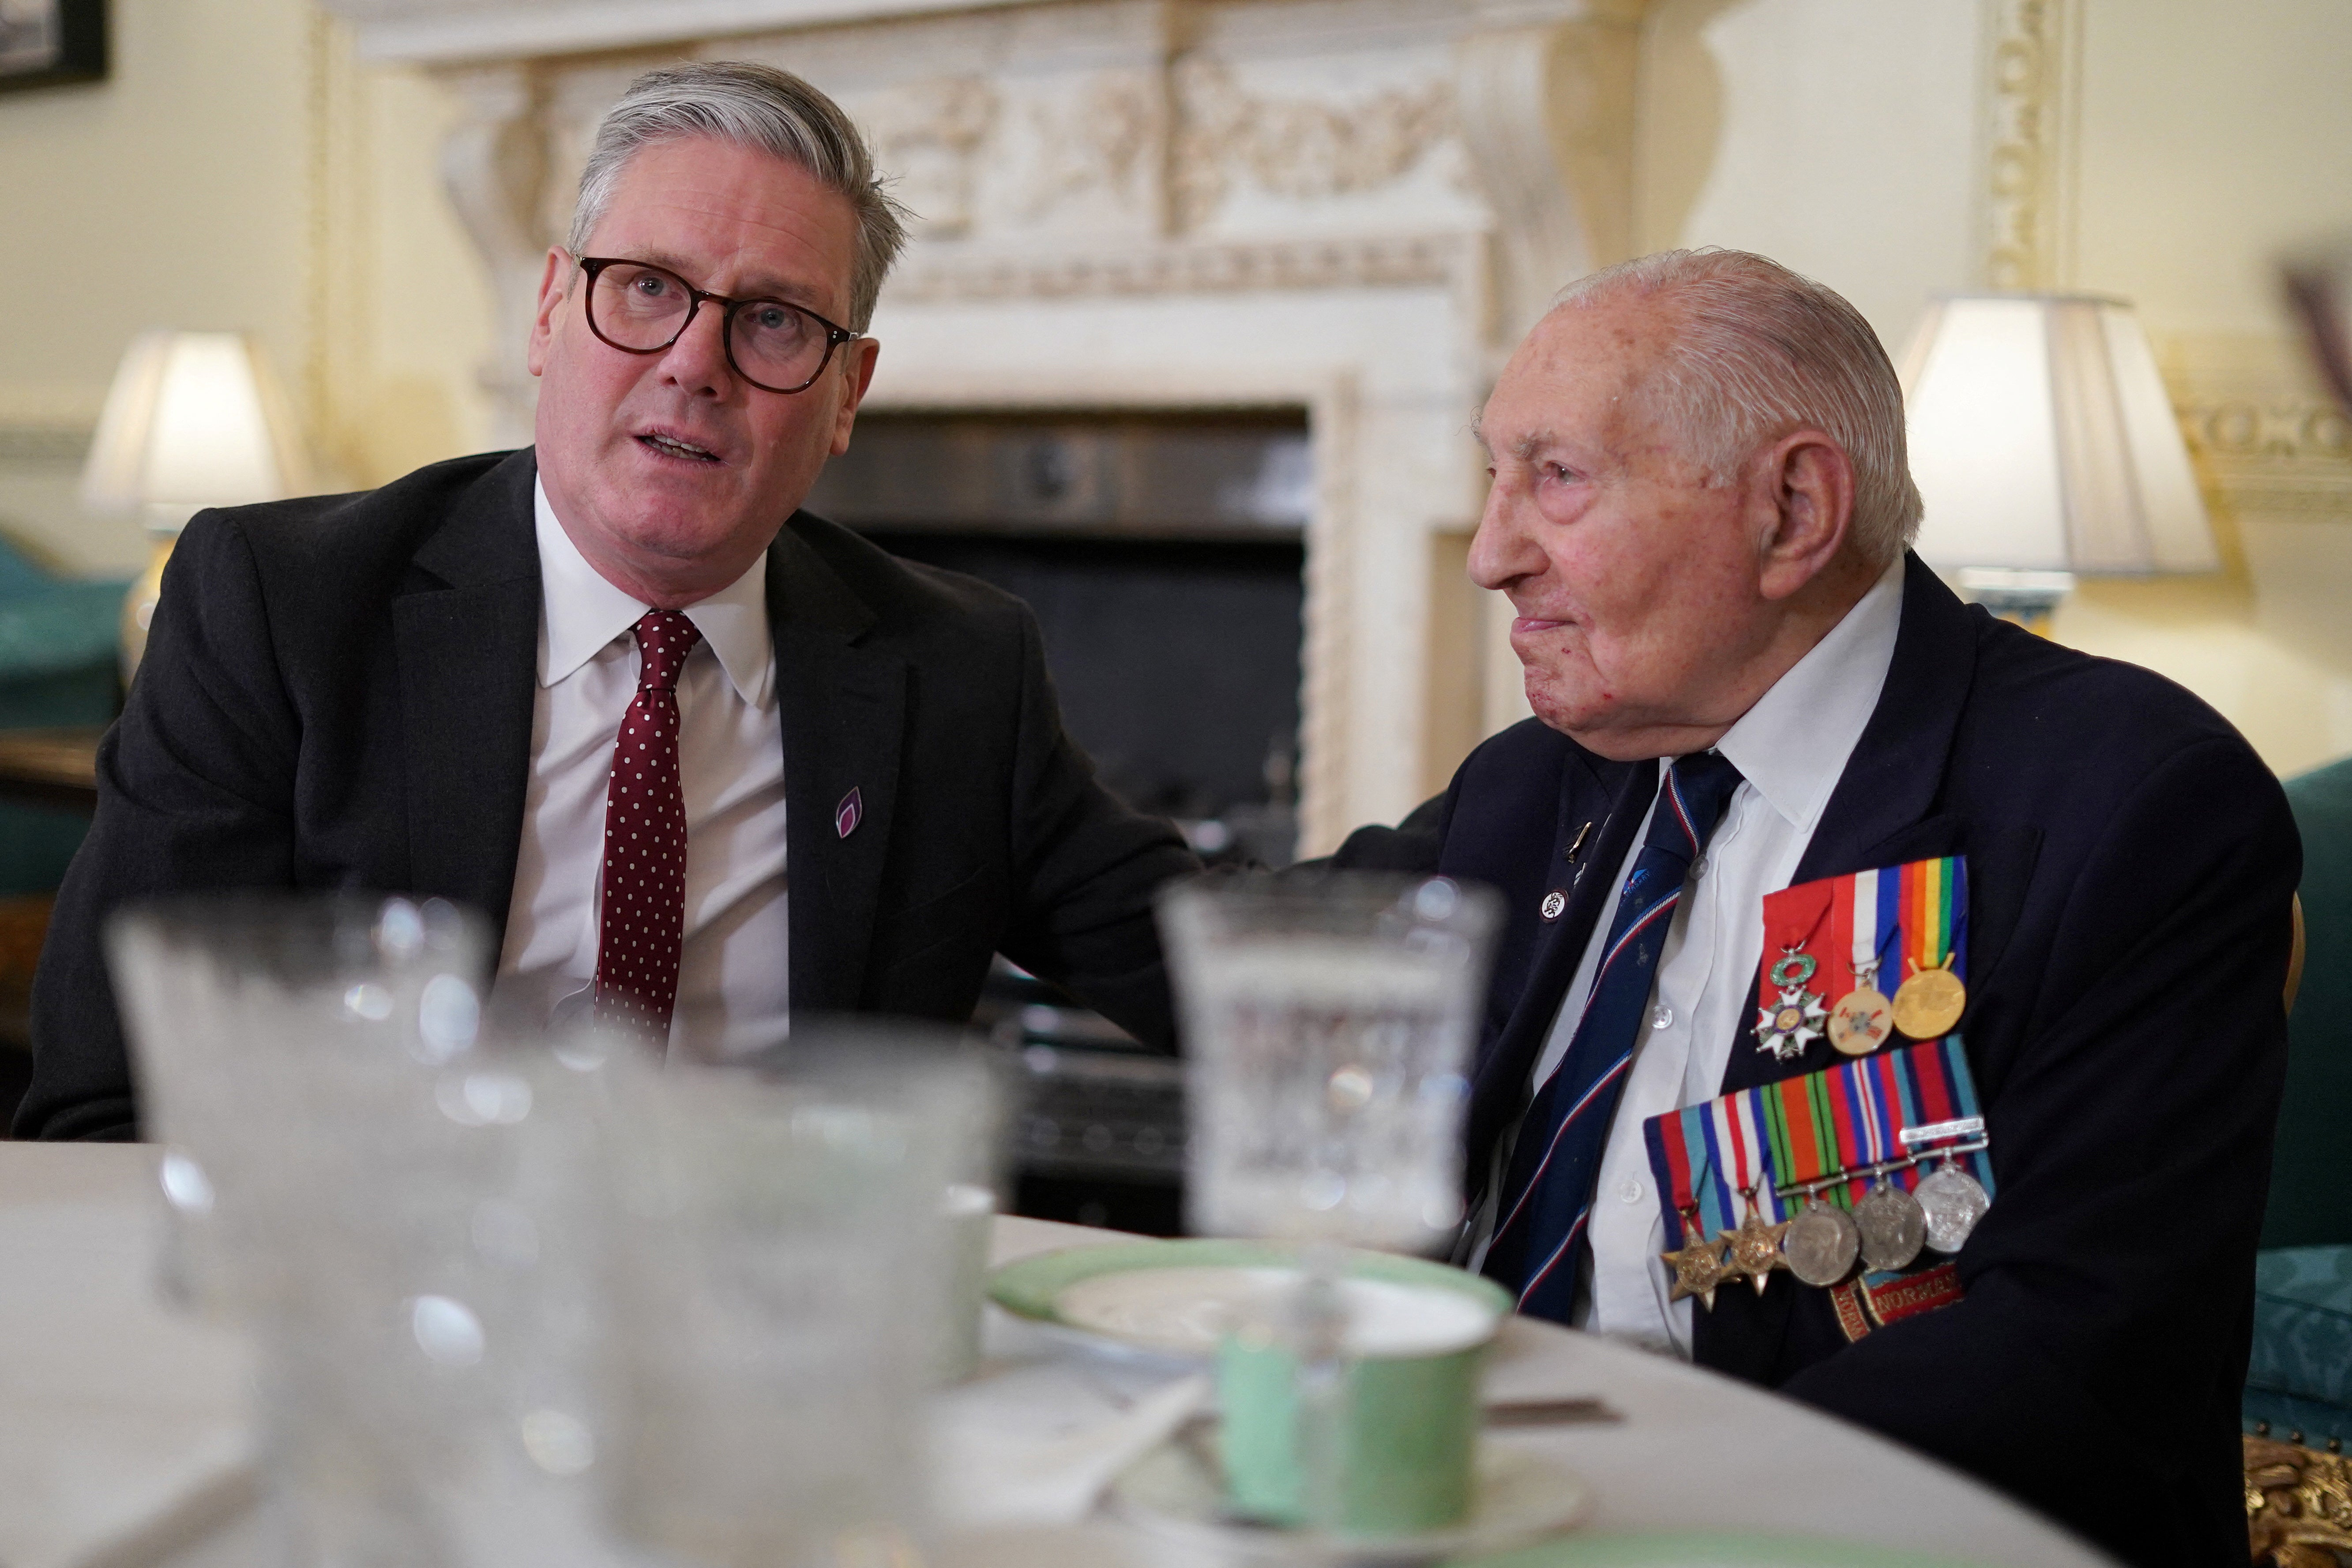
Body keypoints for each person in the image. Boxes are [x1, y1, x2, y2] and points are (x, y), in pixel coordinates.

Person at [19, 61, 1197, 1140]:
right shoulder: (280, 609)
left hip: (769, 1319)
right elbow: (108, 1100)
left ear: (847, 395)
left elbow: (1210, 957)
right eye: (644, 288)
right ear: (547, 314)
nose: (695, 361)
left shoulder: (953, 670)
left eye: (774, 319)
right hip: (383, 1306)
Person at [1334, 248, 2297, 1568]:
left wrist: (1599, 1510)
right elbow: (1270, 957)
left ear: (1791, 510)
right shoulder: (1547, 777)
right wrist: (989, 740)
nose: (1491, 552)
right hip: (1447, 1494)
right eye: (1494, 473)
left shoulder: (2124, 801)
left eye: (1554, 478)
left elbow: (2068, 1349)